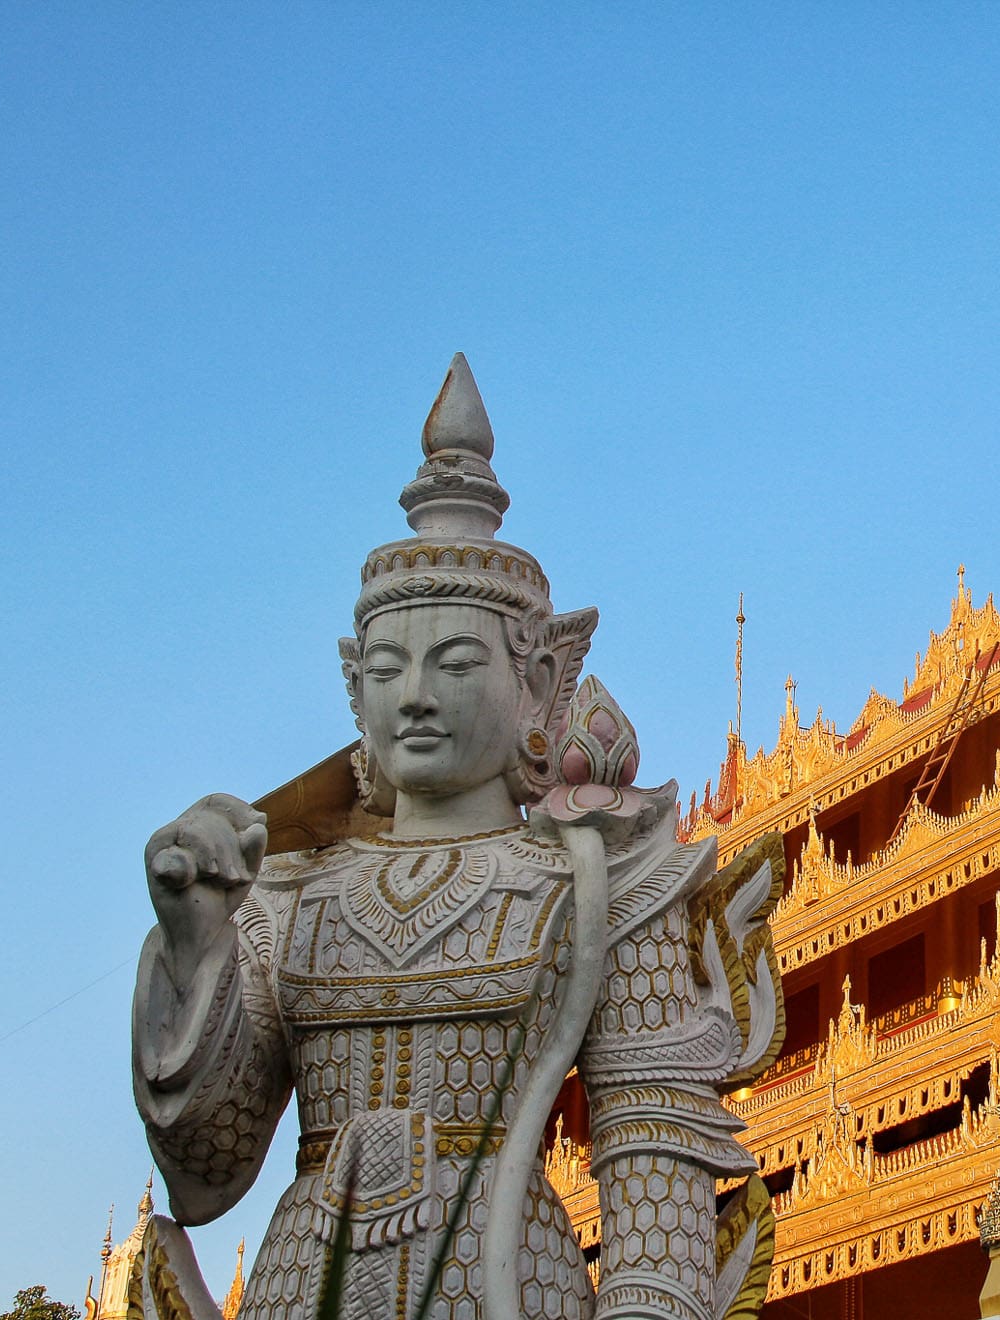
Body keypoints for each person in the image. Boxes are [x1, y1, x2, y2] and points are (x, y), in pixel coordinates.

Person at [133, 356, 781, 1320]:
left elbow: (655, 1166)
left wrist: (649, 1303)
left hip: (504, 1274)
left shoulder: (605, 880)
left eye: (458, 661)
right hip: (308, 1278)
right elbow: (209, 1170)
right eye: (388, 669)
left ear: (540, 679)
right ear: (355, 687)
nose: (418, 697)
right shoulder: (294, 896)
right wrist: (196, 948)